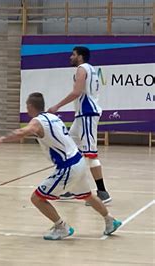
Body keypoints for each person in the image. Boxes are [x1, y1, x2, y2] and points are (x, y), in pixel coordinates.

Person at [0, 92, 121, 240]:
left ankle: (61, 226)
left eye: (27, 106)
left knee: (37, 198)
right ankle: (110, 220)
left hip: (68, 166)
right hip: (78, 160)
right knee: (87, 195)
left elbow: (22, 132)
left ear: (30, 106)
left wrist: (1, 139)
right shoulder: (53, 117)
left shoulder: (37, 122)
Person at [47, 46, 111, 204]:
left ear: (80, 57)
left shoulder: (82, 69)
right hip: (81, 117)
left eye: (73, 55)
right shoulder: (91, 70)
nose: (71, 57)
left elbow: (76, 92)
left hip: (87, 115)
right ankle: (73, 188)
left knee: (91, 154)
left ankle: (102, 192)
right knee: (70, 150)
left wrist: (57, 106)